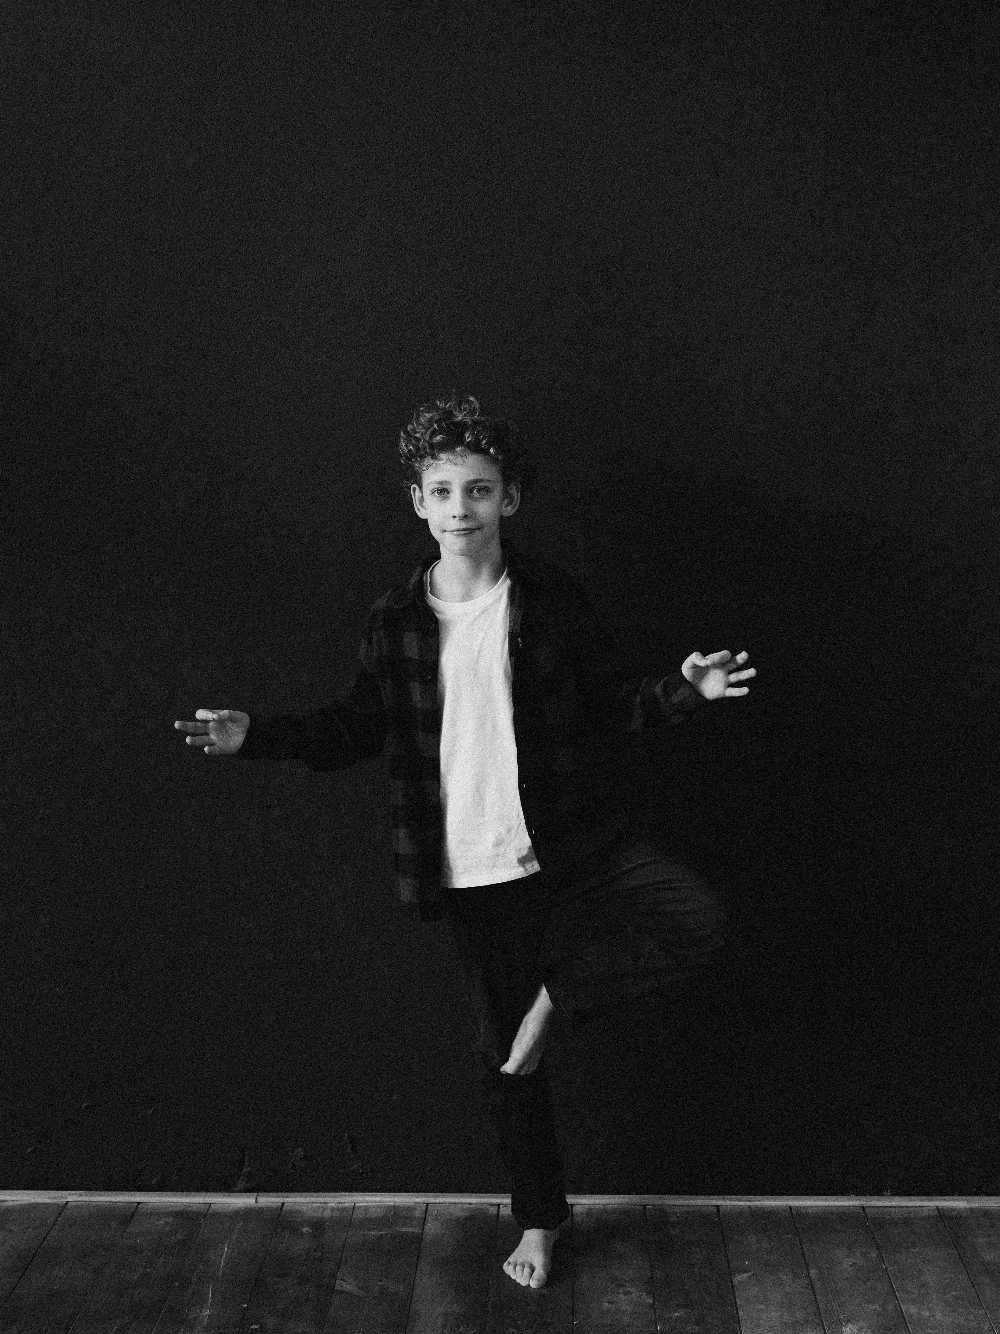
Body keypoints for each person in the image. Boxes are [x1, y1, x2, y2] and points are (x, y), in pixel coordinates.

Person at [174, 394, 756, 1289]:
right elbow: (356, 726)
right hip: (473, 866)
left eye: (479, 490)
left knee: (697, 918)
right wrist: (257, 737)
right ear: (418, 502)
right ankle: (540, 1219)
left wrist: (686, 690)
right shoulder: (395, 620)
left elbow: (613, 703)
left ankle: (558, 996)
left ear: (508, 499)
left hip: (570, 840)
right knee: (506, 1063)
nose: (461, 508)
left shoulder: (551, 599)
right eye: (442, 491)